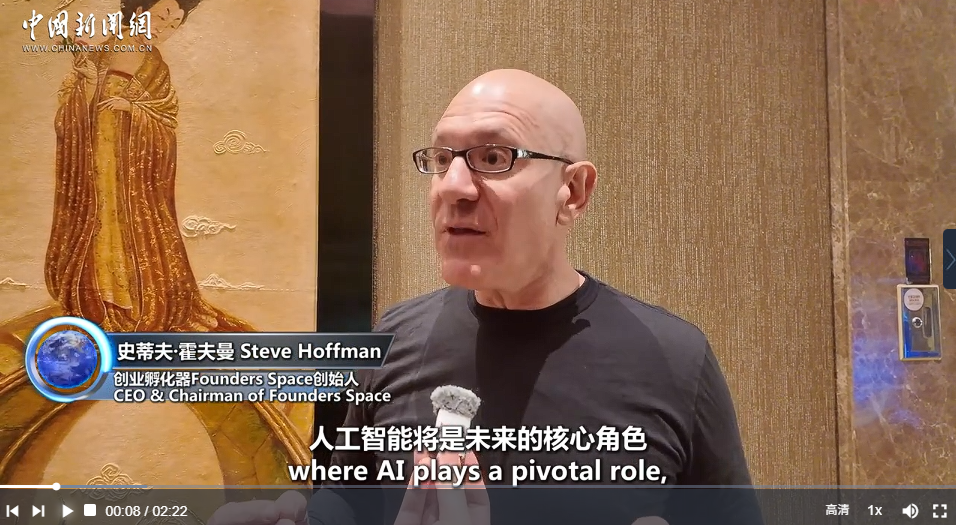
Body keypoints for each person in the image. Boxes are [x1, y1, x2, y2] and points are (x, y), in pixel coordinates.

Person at [208, 69, 756, 525]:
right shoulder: (396, 338)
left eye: (494, 158)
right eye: (442, 159)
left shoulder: (673, 358)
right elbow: (350, 502)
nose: (453, 186)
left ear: (573, 191)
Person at [47, 0, 252, 332]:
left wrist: (133, 108)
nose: (164, 29)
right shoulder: (104, 50)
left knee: (131, 233)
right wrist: (89, 84)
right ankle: (103, 303)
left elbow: (165, 120)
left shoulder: (156, 67)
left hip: (133, 173)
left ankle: (135, 306)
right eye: (161, 17)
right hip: (95, 165)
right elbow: (70, 113)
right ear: (140, 11)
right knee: (100, 228)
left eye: (174, 24)